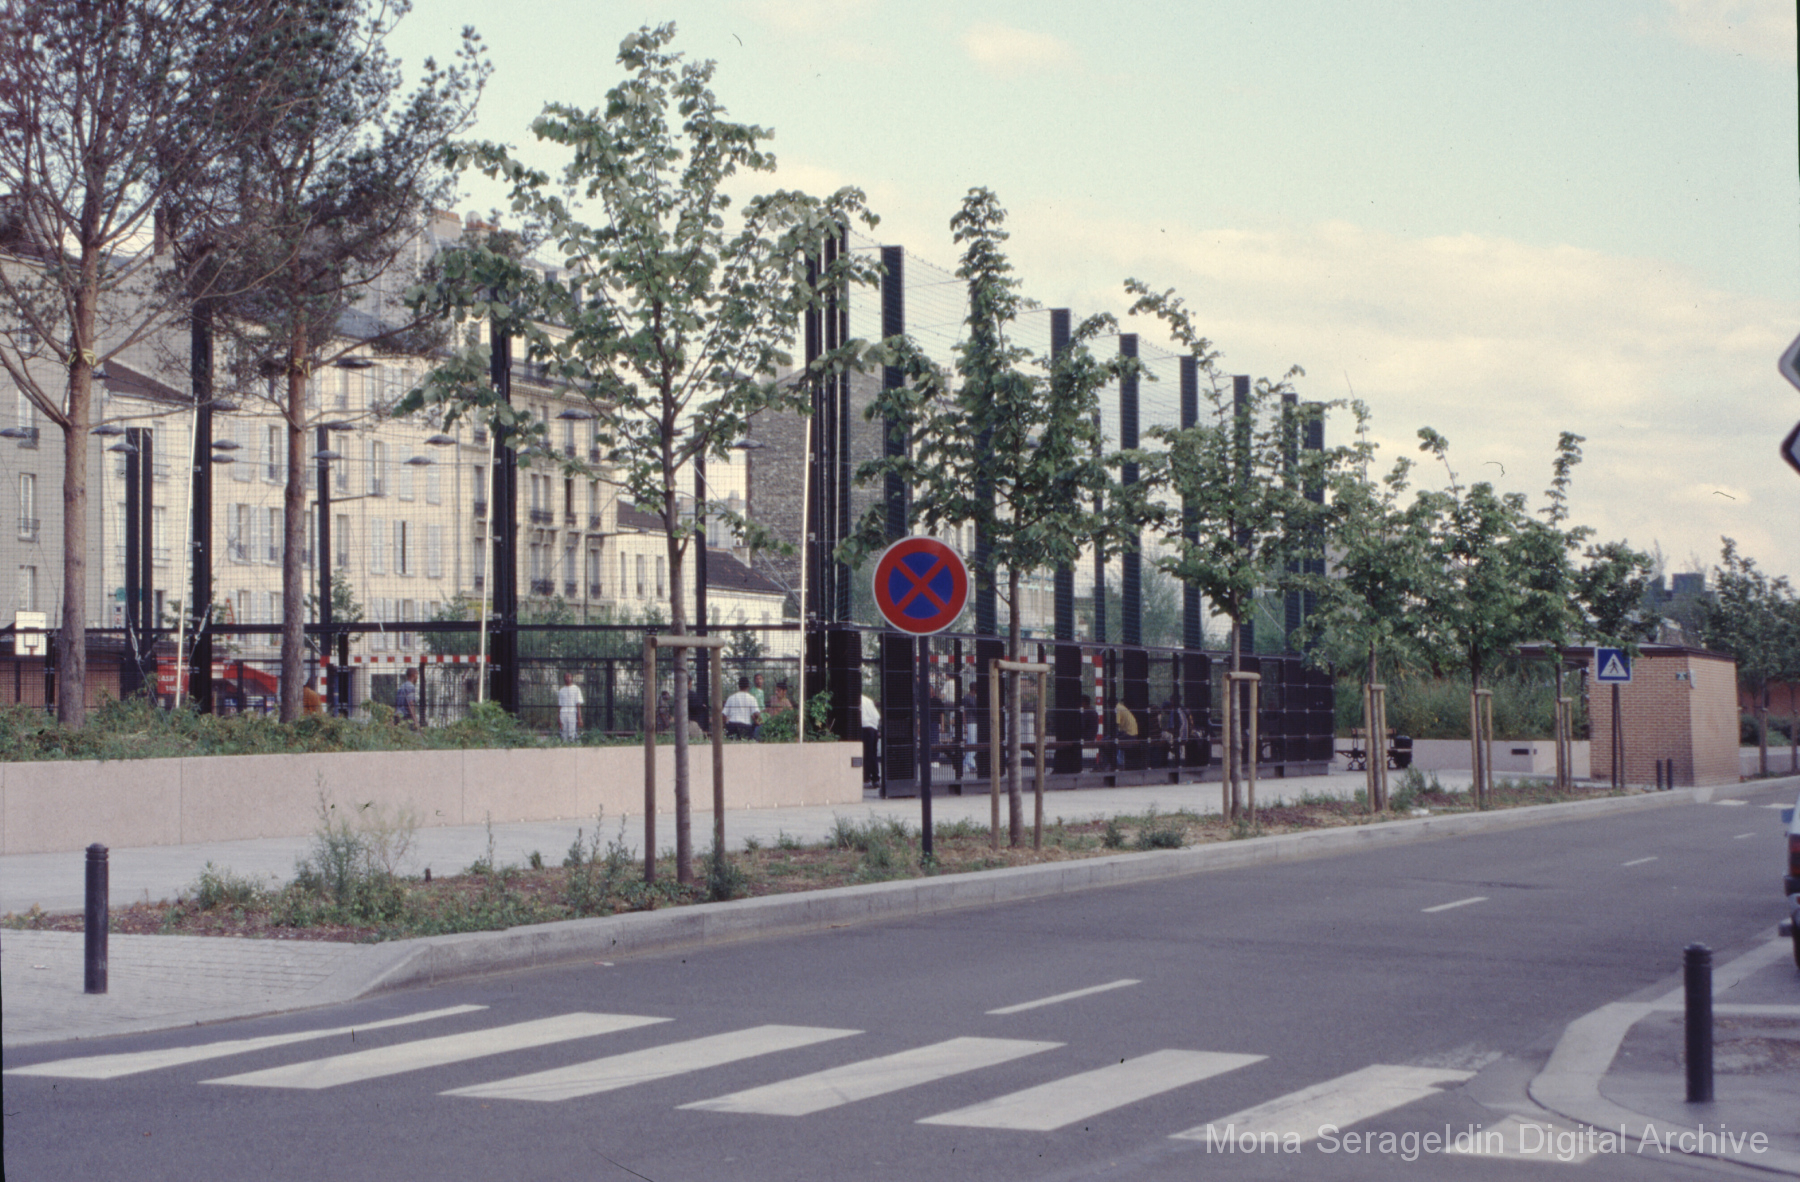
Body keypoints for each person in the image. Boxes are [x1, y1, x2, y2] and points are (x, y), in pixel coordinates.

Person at [557, 671, 585, 741]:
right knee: (563, 734)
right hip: (563, 714)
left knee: (572, 733)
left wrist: (579, 718)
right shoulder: (561, 690)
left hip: (572, 713)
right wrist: (559, 718)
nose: (568, 678)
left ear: (572, 678)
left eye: (569, 677)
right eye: (566, 677)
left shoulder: (576, 689)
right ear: (564, 678)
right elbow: (560, 705)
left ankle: (571, 745)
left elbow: (578, 704)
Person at [861, 692, 881, 786]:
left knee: (866, 753)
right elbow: (877, 716)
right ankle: (875, 778)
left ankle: (866, 777)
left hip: (865, 727)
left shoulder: (858, 700)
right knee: (873, 753)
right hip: (874, 728)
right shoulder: (868, 700)